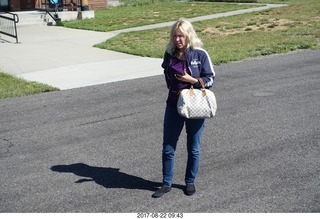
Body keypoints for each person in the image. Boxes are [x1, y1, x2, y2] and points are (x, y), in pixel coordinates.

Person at [152, 18, 216, 198]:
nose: (178, 39)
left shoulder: (200, 54)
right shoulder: (169, 53)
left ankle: (190, 182)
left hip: (195, 107)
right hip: (173, 106)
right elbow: (167, 74)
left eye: (181, 35)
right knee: (168, 147)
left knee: (193, 148)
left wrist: (193, 81)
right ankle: (166, 183)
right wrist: (175, 93)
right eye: (175, 36)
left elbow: (210, 78)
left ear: (189, 35)